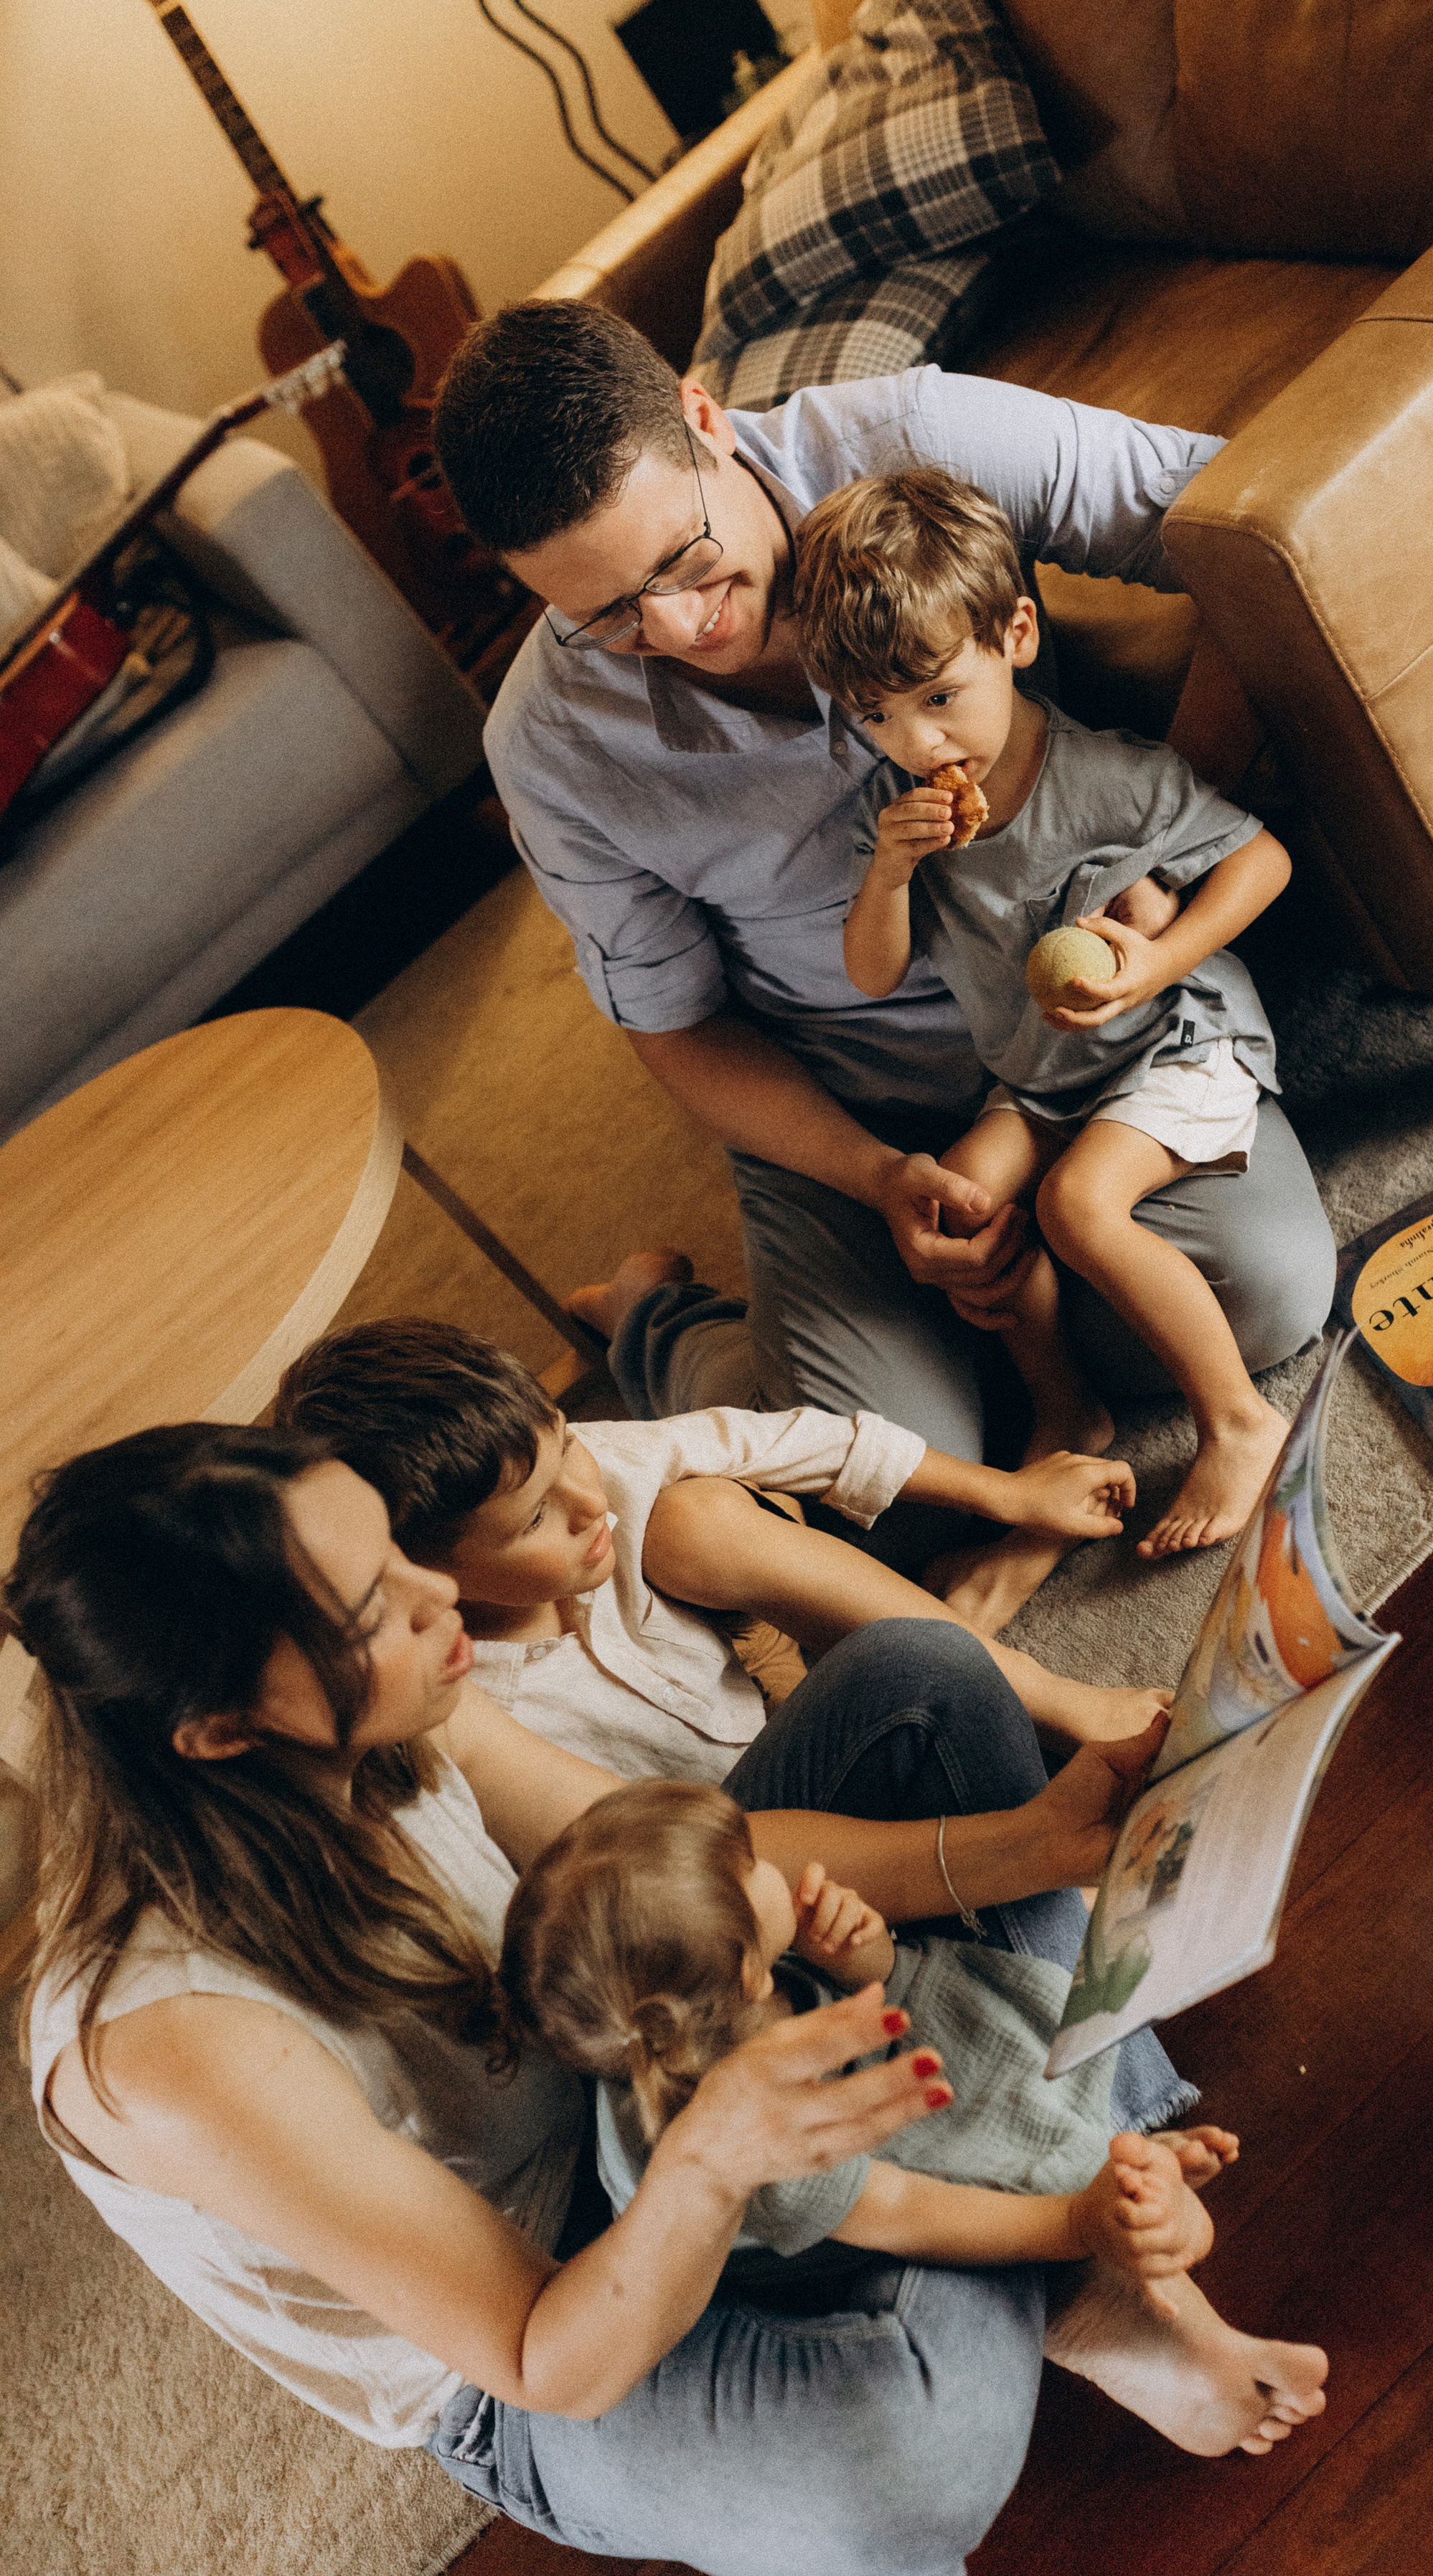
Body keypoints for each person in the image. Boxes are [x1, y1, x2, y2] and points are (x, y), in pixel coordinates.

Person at [12, 1424, 1321, 2576]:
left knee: (919, 1677)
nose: (440, 1593)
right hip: (546, 2299)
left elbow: (692, 1862)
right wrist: (712, 2162)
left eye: (402, 1558)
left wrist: (1028, 1844)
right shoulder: (167, 2047)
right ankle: (1072, 2233)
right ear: (224, 1728)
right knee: (899, 2469)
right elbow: (542, 2357)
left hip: (621, 2039)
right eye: (373, 1608)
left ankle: (1040, 2203)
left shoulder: (398, 1699)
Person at [430, 302, 1338, 1603]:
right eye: (611, 616)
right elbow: (673, 1026)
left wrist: (1147, 855)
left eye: (686, 561)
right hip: (851, 1090)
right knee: (875, 1522)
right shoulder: (546, 749)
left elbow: (1257, 523)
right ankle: (662, 1324)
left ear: (704, 419)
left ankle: (986, 1354)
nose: (681, 629)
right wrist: (876, 1181)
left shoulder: (913, 439)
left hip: (1081, 1058)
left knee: (1271, 1297)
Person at [499, 1778, 1328, 2454]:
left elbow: (878, 1979)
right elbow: (901, 2211)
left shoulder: (698, 2002)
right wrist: (1074, 2222)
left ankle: (1108, 2180)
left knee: (997, 2045)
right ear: (746, 1972)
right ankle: (1186, 2338)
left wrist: (855, 1952)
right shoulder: (757, 2144)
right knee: (1008, 2180)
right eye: (753, 1868)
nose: (772, 1864)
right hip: (856, 2226)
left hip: (866, 2080)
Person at [799, 466, 1296, 1562]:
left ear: (1016, 633)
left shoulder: (1105, 780)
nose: (917, 743)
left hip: (1177, 1041)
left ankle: (1241, 1420)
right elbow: (873, 974)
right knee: (965, 1208)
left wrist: (1158, 959)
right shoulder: (898, 820)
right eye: (877, 716)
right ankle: (1067, 1409)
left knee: (1079, 1203)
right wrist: (886, 878)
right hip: (1042, 1076)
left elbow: (1264, 861)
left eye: (938, 696)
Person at [275, 1317, 1169, 1768]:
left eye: (568, 1446)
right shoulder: (454, 1715)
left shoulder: (601, 1476)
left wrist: (1005, 1490)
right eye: (538, 1519)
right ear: (418, 1572)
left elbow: (783, 1441)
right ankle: (966, 1604)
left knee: (691, 1512)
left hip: (766, 1660)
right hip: (754, 1820)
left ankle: (650, 1312)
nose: (590, 1503)